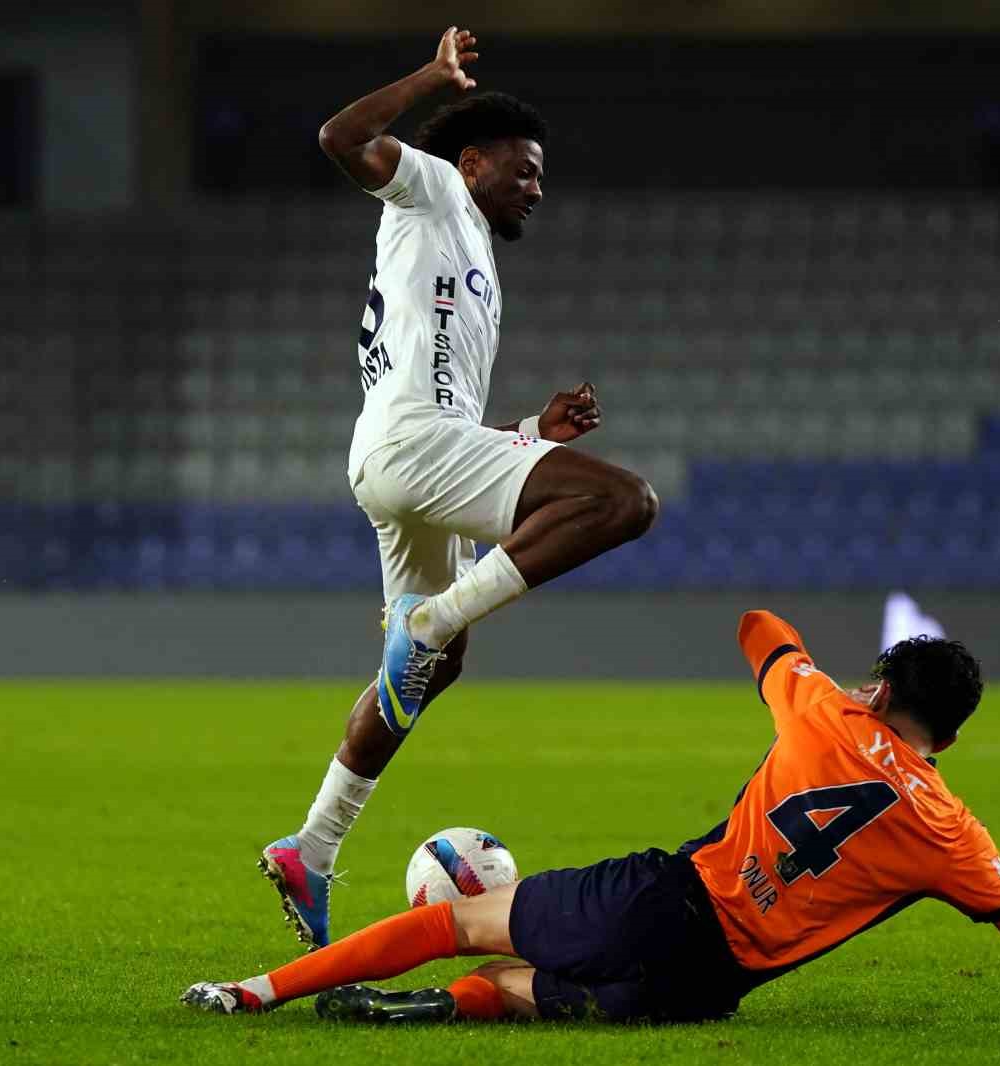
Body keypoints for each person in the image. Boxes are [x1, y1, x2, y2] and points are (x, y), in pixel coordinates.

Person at [184, 611, 1000, 1025]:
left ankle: (256, 990)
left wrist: (819, 676)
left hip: (666, 899)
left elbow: (759, 627)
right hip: (712, 986)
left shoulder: (825, 709)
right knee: (520, 983)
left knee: (458, 923)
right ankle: (435, 1012)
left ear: (880, 687)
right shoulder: (954, 831)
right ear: (948, 731)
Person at [261, 27, 659, 951]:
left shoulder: (464, 249)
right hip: (411, 448)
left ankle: (311, 849)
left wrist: (527, 436)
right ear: (472, 161)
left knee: (433, 673)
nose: (537, 187)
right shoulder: (434, 187)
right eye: (523, 170)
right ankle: (430, 620)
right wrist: (431, 80)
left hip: (399, 458)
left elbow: (433, 388)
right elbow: (336, 138)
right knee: (625, 502)